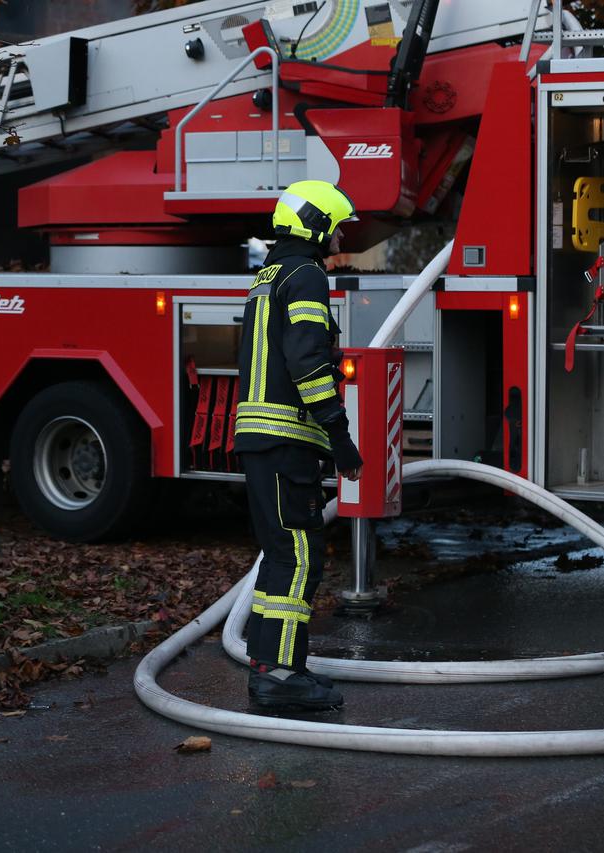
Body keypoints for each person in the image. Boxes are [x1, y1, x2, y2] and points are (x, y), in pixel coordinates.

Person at [233, 180, 364, 711]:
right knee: (301, 555)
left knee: (279, 555)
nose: (337, 238)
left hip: (260, 439)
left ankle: (272, 664)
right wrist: (341, 440)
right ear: (316, 225)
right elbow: (308, 361)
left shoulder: (268, 275)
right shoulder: (307, 276)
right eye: (333, 227)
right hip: (287, 440)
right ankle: (281, 678)